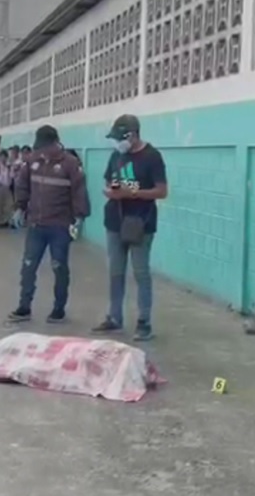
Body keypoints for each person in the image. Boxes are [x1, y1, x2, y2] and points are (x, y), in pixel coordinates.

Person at [93, 114, 167, 341]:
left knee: (140, 272)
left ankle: (144, 322)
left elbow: (162, 191)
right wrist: (113, 190)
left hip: (140, 222)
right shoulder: (117, 155)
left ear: (133, 136)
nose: (117, 144)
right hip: (115, 219)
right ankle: (114, 317)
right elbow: (110, 180)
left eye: (120, 139)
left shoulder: (152, 157)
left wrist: (132, 193)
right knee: (115, 271)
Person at [7, 126, 89, 324]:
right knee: (28, 266)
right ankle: (24, 307)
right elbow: (22, 185)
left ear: (55, 143)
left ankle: (58, 309)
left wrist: (79, 218)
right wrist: (20, 207)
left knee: (59, 267)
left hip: (60, 227)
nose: (41, 152)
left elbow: (79, 192)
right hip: (36, 225)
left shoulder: (70, 164)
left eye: (44, 147)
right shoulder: (33, 162)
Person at [0, 149, 15, 227]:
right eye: (1, 157)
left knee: (9, 205)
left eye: (5, 157)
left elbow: (12, 177)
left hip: (7, 187)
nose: (3, 159)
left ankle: (6, 220)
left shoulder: (9, 167)